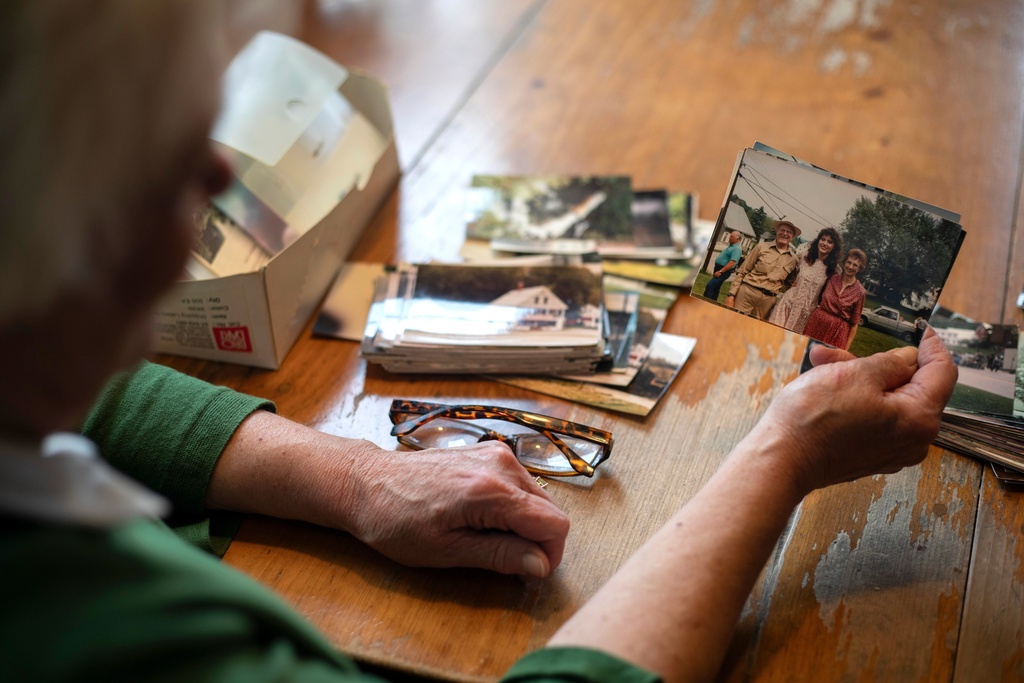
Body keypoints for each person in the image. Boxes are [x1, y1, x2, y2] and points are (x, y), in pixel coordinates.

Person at [0, 3, 958, 682]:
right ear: (49, 228)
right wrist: (783, 453)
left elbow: (91, 397)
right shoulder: (115, 632)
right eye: (166, 153)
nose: (220, 176)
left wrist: (354, 476)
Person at [768, 227, 842, 334]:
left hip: (806, 313)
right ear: (818, 241)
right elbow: (789, 274)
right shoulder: (804, 257)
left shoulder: (835, 270)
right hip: (787, 304)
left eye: (830, 242)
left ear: (834, 247)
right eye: (823, 239)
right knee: (772, 335)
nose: (825, 243)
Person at [724, 220, 800, 320]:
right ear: (777, 231)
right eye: (782, 230)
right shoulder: (761, 247)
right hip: (747, 293)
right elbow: (742, 271)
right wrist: (731, 295)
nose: (785, 234)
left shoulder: (793, 259)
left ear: (793, 236)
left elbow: (789, 284)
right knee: (731, 322)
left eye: (789, 232)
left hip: (767, 302)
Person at [803, 248, 869, 351]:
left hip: (837, 332)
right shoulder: (832, 278)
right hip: (817, 323)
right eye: (849, 262)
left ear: (860, 268)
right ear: (844, 262)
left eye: (855, 265)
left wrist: (845, 350)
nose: (850, 267)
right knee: (805, 354)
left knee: (827, 362)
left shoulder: (860, 292)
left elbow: (854, 324)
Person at [701, 230, 743, 301]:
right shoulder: (731, 246)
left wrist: (720, 271)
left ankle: (704, 302)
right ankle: (713, 304)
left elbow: (732, 262)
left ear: (737, 239)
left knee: (710, 286)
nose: (729, 237)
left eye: (731, 236)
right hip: (719, 269)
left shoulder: (737, 249)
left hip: (723, 271)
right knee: (715, 288)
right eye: (730, 236)